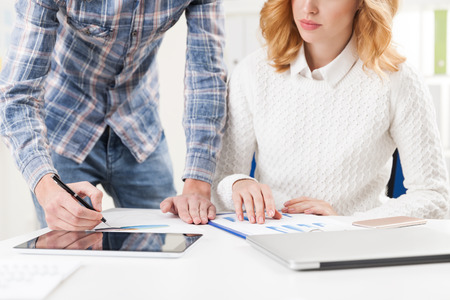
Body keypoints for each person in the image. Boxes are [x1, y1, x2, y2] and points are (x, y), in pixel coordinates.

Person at [211, 0, 450, 224]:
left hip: (354, 248)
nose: (308, 8)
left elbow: (434, 197)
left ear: (361, 3)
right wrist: (238, 183)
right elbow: (218, 183)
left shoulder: (398, 80)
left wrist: (348, 223)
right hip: (269, 240)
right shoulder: (252, 72)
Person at [0, 0, 227, 230]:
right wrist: (45, 185)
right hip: (64, 127)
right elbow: (17, 92)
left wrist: (198, 183)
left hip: (139, 126)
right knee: (68, 252)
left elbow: (206, 78)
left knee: (168, 242)